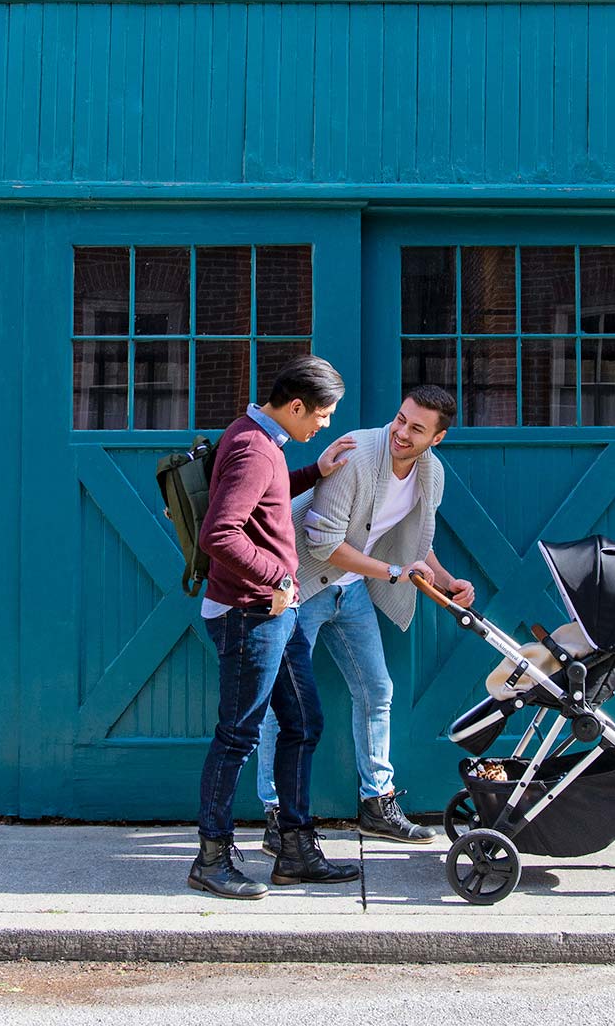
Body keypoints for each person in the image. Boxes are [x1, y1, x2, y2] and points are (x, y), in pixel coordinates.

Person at [257, 385, 475, 853]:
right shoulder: (358, 454)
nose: (401, 431)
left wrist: (447, 582)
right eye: (400, 419)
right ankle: (276, 814)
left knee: (377, 690)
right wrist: (395, 572)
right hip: (302, 584)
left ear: (436, 438)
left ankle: (376, 804)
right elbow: (320, 544)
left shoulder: (431, 474)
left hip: (350, 589)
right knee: (285, 702)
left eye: (416, 428)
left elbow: (418, 541)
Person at [188, 355, 359, 901]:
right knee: (237, 735)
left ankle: (295, 851)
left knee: (304, 722)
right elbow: (220, 533)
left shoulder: (262, 443)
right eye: (323, 415)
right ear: (295, 406)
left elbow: (265, 498)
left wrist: (316, 473)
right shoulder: (250, 447)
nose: (324, 425)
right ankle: (211, 859)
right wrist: (277, 579)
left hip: (272, 615)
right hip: (249, 614)